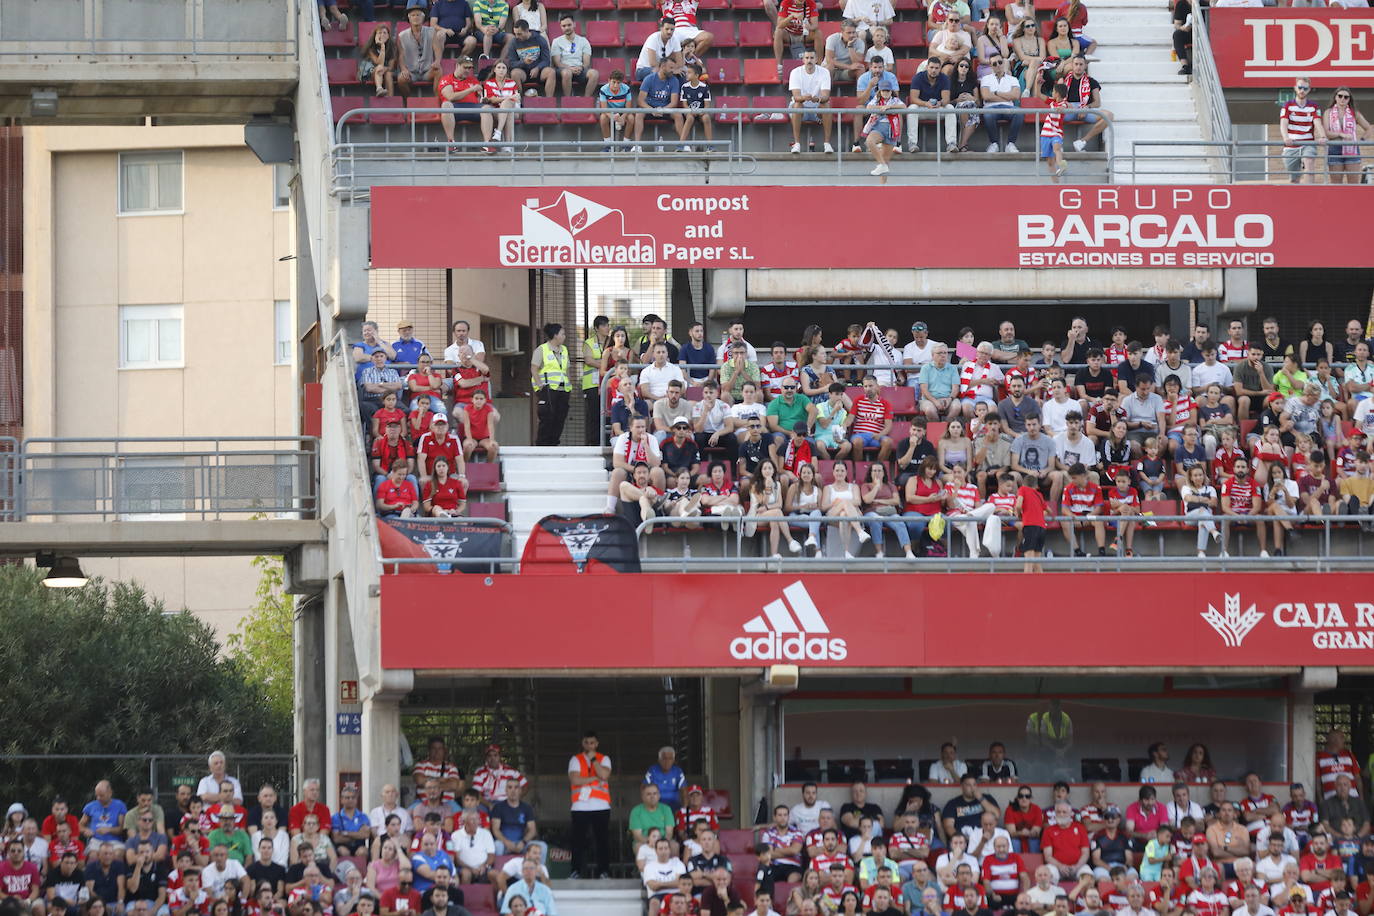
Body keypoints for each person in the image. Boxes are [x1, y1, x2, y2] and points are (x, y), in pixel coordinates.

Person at [567, 732, 611, 880]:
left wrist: (594, 760)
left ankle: (603, 871)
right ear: (583, 743)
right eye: (587, 742)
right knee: (578, 841)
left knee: (602, 841)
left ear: (597, 744)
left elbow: (604, 775)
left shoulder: (604, 758)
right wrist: (593, 778)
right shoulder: (575, 759)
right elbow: (575, 779)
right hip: (580, 806)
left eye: (592, 743)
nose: (589, 745)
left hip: (601, 806)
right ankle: (576, 871)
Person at [1280, 78, 1326, 185]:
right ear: (1295, 88)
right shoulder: (1287, 105)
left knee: (1309, 164)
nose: (1302, 91)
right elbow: (1283, 123)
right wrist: (1285, 138)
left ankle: (1309, 195)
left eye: (1305, 88)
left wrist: (1323, 136)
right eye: (1300, 87)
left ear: (1309, 90)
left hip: (1308, 143)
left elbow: (1317, 122)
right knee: (1294, 179)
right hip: (1291, 145)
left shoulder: (1314, 106)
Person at [531, 323, 571, 446]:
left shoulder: (564, 349)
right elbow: (534, 368)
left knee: (560, 418)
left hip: (563, 389)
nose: (564, 336)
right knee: (547, 417)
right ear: (555, 335)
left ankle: (554, 444)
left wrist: (569, 384)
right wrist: (540, 386)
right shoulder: (542, 349)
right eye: (562, 333)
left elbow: (567, 369)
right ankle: (542, 445)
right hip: (548, 389)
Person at [1060, 56, 1111, 152]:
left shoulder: (1092, 81)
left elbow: (1097, 102)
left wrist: (1086, 107)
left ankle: (1082, 142)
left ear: (1085, 66)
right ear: (1072, 65)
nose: (1078, 67)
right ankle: (1057, 144)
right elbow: (1057, 99)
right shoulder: (1063, 80)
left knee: (1109, 115)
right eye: (1076, 64)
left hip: (1085, 110)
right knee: (1053, 112)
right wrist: (1066, 104)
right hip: (1068, 109)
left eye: (1081, 64)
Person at [788, 50, 835, 154]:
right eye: (807, 58)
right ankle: (797, 144)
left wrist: (816, 99)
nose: (809, 60)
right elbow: (796, 97)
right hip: (801, 108)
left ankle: (827, 144)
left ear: (816, 60)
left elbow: (826, 96)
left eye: (812, 58)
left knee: (825, 105)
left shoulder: (824, 72)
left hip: (817, 108)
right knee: (797, 105)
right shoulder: (795, 72)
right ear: (803, 60)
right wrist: (805, 97)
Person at [863, 84, 904, 180]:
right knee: (869, 141)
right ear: (880, 91)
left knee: (886, 161)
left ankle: (883, 187)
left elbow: (903, 106)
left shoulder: (895, 100)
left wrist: (889, 107)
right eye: (883, 91)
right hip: (879, 126)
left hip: (892, 129)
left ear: (891, 92)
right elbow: (869, 107)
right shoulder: (876, 99)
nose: (885, 93)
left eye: (888, 91)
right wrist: (881, 107)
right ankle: (882, 164)